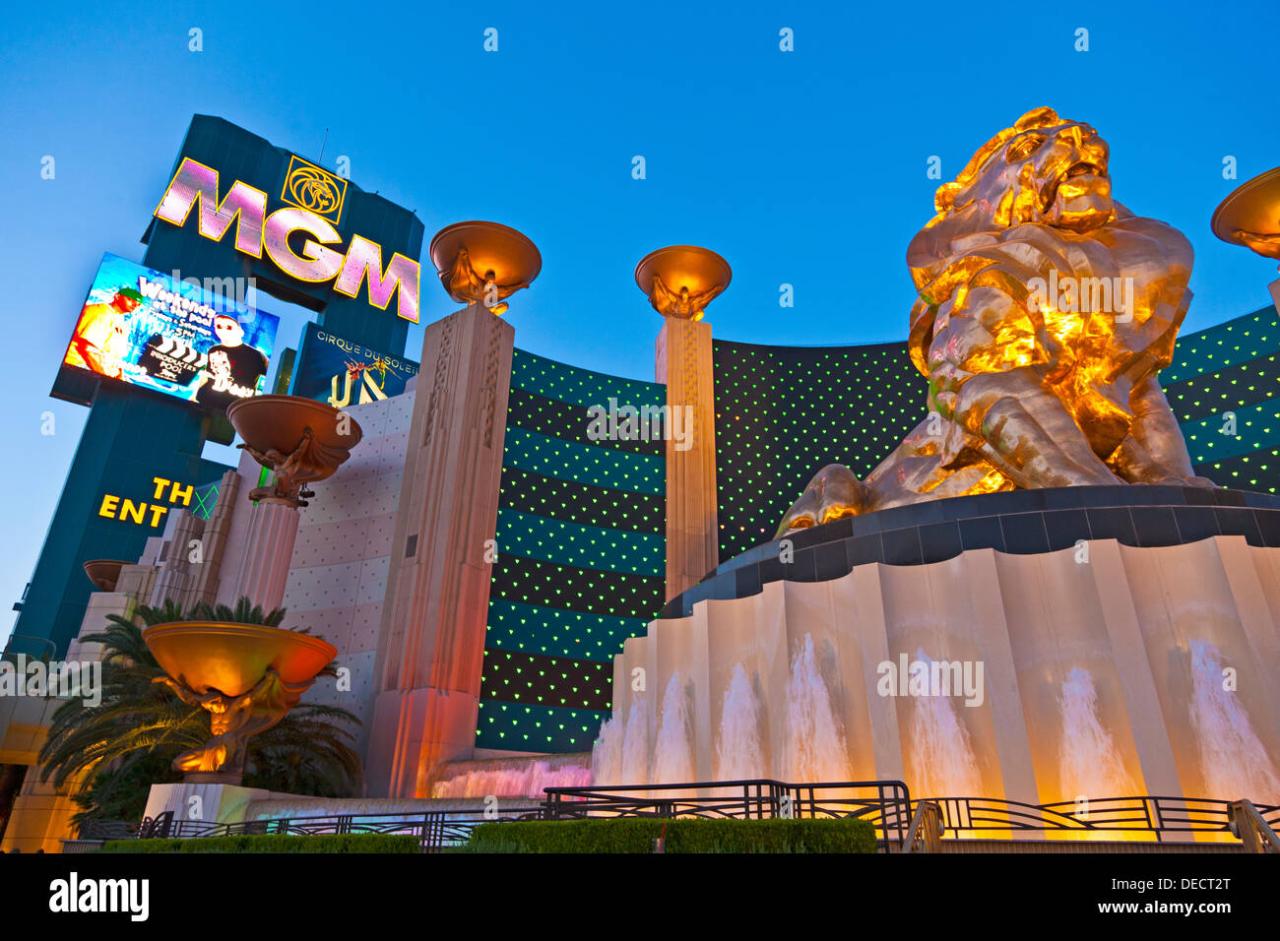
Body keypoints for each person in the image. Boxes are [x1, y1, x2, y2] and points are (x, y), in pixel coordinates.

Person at [193, 314, 269, 410]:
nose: (223, 330)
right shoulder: (213, 350)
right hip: (206, 402)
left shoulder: (257, 356)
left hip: (236, 408)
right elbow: (206, 376)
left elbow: (264, 384)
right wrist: (194, 397)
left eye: (229, 327)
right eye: (219, 326)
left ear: (240, 331)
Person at [64, 286, 143, 378]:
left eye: (138, 304)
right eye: (130, 299)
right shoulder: (101, 312)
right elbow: (89, 351)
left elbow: (112, 356)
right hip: (76, 371)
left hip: (97, 372)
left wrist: (119, 374)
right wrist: (109, 379)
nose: (134, 305)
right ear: (117, 296)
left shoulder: (119, 319)